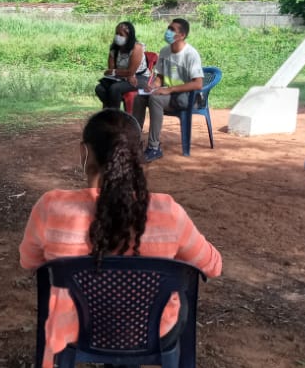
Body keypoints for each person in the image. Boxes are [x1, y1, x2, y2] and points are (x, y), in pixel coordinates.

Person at [19, 109, 223, 368]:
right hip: (152, 332)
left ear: (84, 152)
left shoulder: (50, 208)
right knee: (173, 299)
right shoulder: (168, 212)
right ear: (137, 157)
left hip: (76, 330)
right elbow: (213, 267)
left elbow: (28, 262)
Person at [132, 18, 204, 162]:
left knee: (155, 99)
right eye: (168, 28)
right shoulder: (165, 51)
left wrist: (169, 89)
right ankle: (134, 142)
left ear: (182, 35)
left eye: (172, 30)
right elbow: (160, 78)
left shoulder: (190, 54)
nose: (168, 32)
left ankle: (154, 147)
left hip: (189, 97)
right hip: (171, 94)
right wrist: (152, 86)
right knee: (140, 98)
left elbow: (198, 84)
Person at [95, 21, 149, 109]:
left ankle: (113, 116)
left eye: (121, 34)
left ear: (129, 36)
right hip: (120, 78)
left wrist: (119, 73)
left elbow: (130, 71)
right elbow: (110, 70)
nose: (117, 36)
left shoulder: (137, 48)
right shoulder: (114, 49)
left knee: (115, 88)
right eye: (116, 33)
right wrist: (123, 74)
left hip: (140, 77)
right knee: (99, 88)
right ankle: (112, 112)